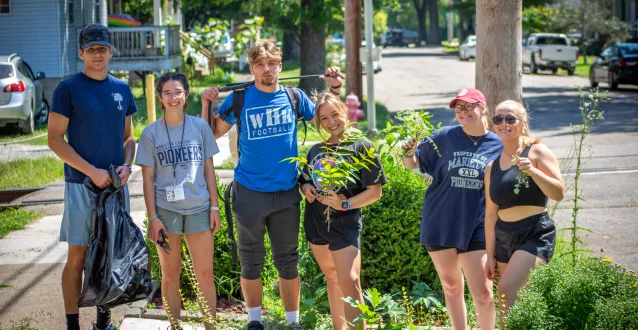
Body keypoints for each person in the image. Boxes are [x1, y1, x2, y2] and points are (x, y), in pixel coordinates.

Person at [200, 40, 342, 330]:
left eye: (273, 63)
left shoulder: (294, 97)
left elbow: (329, 119)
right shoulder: (238, 99)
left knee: (288, 261)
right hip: (249, 192)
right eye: (261, 65)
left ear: (280, 65)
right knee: (250, 261)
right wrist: (205, 103)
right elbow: (212, 134)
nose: (267, 70)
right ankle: (254, 321)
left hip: (287, 193)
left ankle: (293, 322)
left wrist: (336, 88)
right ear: (252, 68)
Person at [48, 24, 136, 330]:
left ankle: (104, 321)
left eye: (103, 49)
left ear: (111, 52)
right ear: (81, 53)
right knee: (78, 256)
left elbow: (128, 139)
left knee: (110, 255)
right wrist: (92, 172)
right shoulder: (68, 89)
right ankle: (73, 324)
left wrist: (127, 165)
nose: (98, 54)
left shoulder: (122, 90)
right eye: (92, 49)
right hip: (81, 185)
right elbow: (55, 140)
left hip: (114, 187)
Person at [401, 88, 502, 330]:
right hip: (440, 221)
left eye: (469, 106)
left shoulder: (498, 144)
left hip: (476, 224)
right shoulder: (444, 137)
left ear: (483, 107)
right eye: (459, 108)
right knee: (452, 286)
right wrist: (408, 152)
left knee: (484, 292)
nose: (463, 112)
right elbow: (413, 166)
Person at [135, 72, 221, 329]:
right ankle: (175, 326)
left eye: (178, 92)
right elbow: (147, 179)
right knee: (171, 275)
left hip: (199, 208)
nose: (173, 98)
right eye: (167, 93)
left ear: (186, 95)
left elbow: (209, 170)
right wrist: (152, 218)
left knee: (204, 274)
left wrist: (215, 207)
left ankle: (210, 326)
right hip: (166, 212)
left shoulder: (201, 127)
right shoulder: (150, 133)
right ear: (160, 97)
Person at [299, 93, 386, 330]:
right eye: (324, 118)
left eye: (335, 114)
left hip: (345, 223)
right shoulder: (316, 150)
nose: (330, 122)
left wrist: (344, 204)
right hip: (316, 222)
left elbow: (375, 191)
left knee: (350, 280)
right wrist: (306, 187)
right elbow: (306, 180)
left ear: (345, 112)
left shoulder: (362, 147)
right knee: (333, 278)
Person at [484, 100, 564, 324]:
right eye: (498, 119)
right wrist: (489, 255)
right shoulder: (492, 168)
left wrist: (534, 173)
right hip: (503, 237)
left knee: (506, 289)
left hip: (534, 234)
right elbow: (490, 215)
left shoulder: (537, 152)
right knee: (508, 300)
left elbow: (558, 193)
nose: (504, 124)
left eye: (510, 119)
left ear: (523, 123)